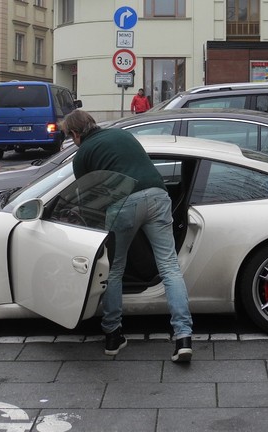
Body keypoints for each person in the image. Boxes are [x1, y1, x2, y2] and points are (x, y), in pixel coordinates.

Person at [61, 110, 193, 362]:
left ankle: (113, 335)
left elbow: (88, 197)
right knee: (169, 267)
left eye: (70, 135)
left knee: (114, 269)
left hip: (123, 205)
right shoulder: (122, 135)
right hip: (157, 194)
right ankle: (183, 337)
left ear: (75, 134)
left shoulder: (82, 155)